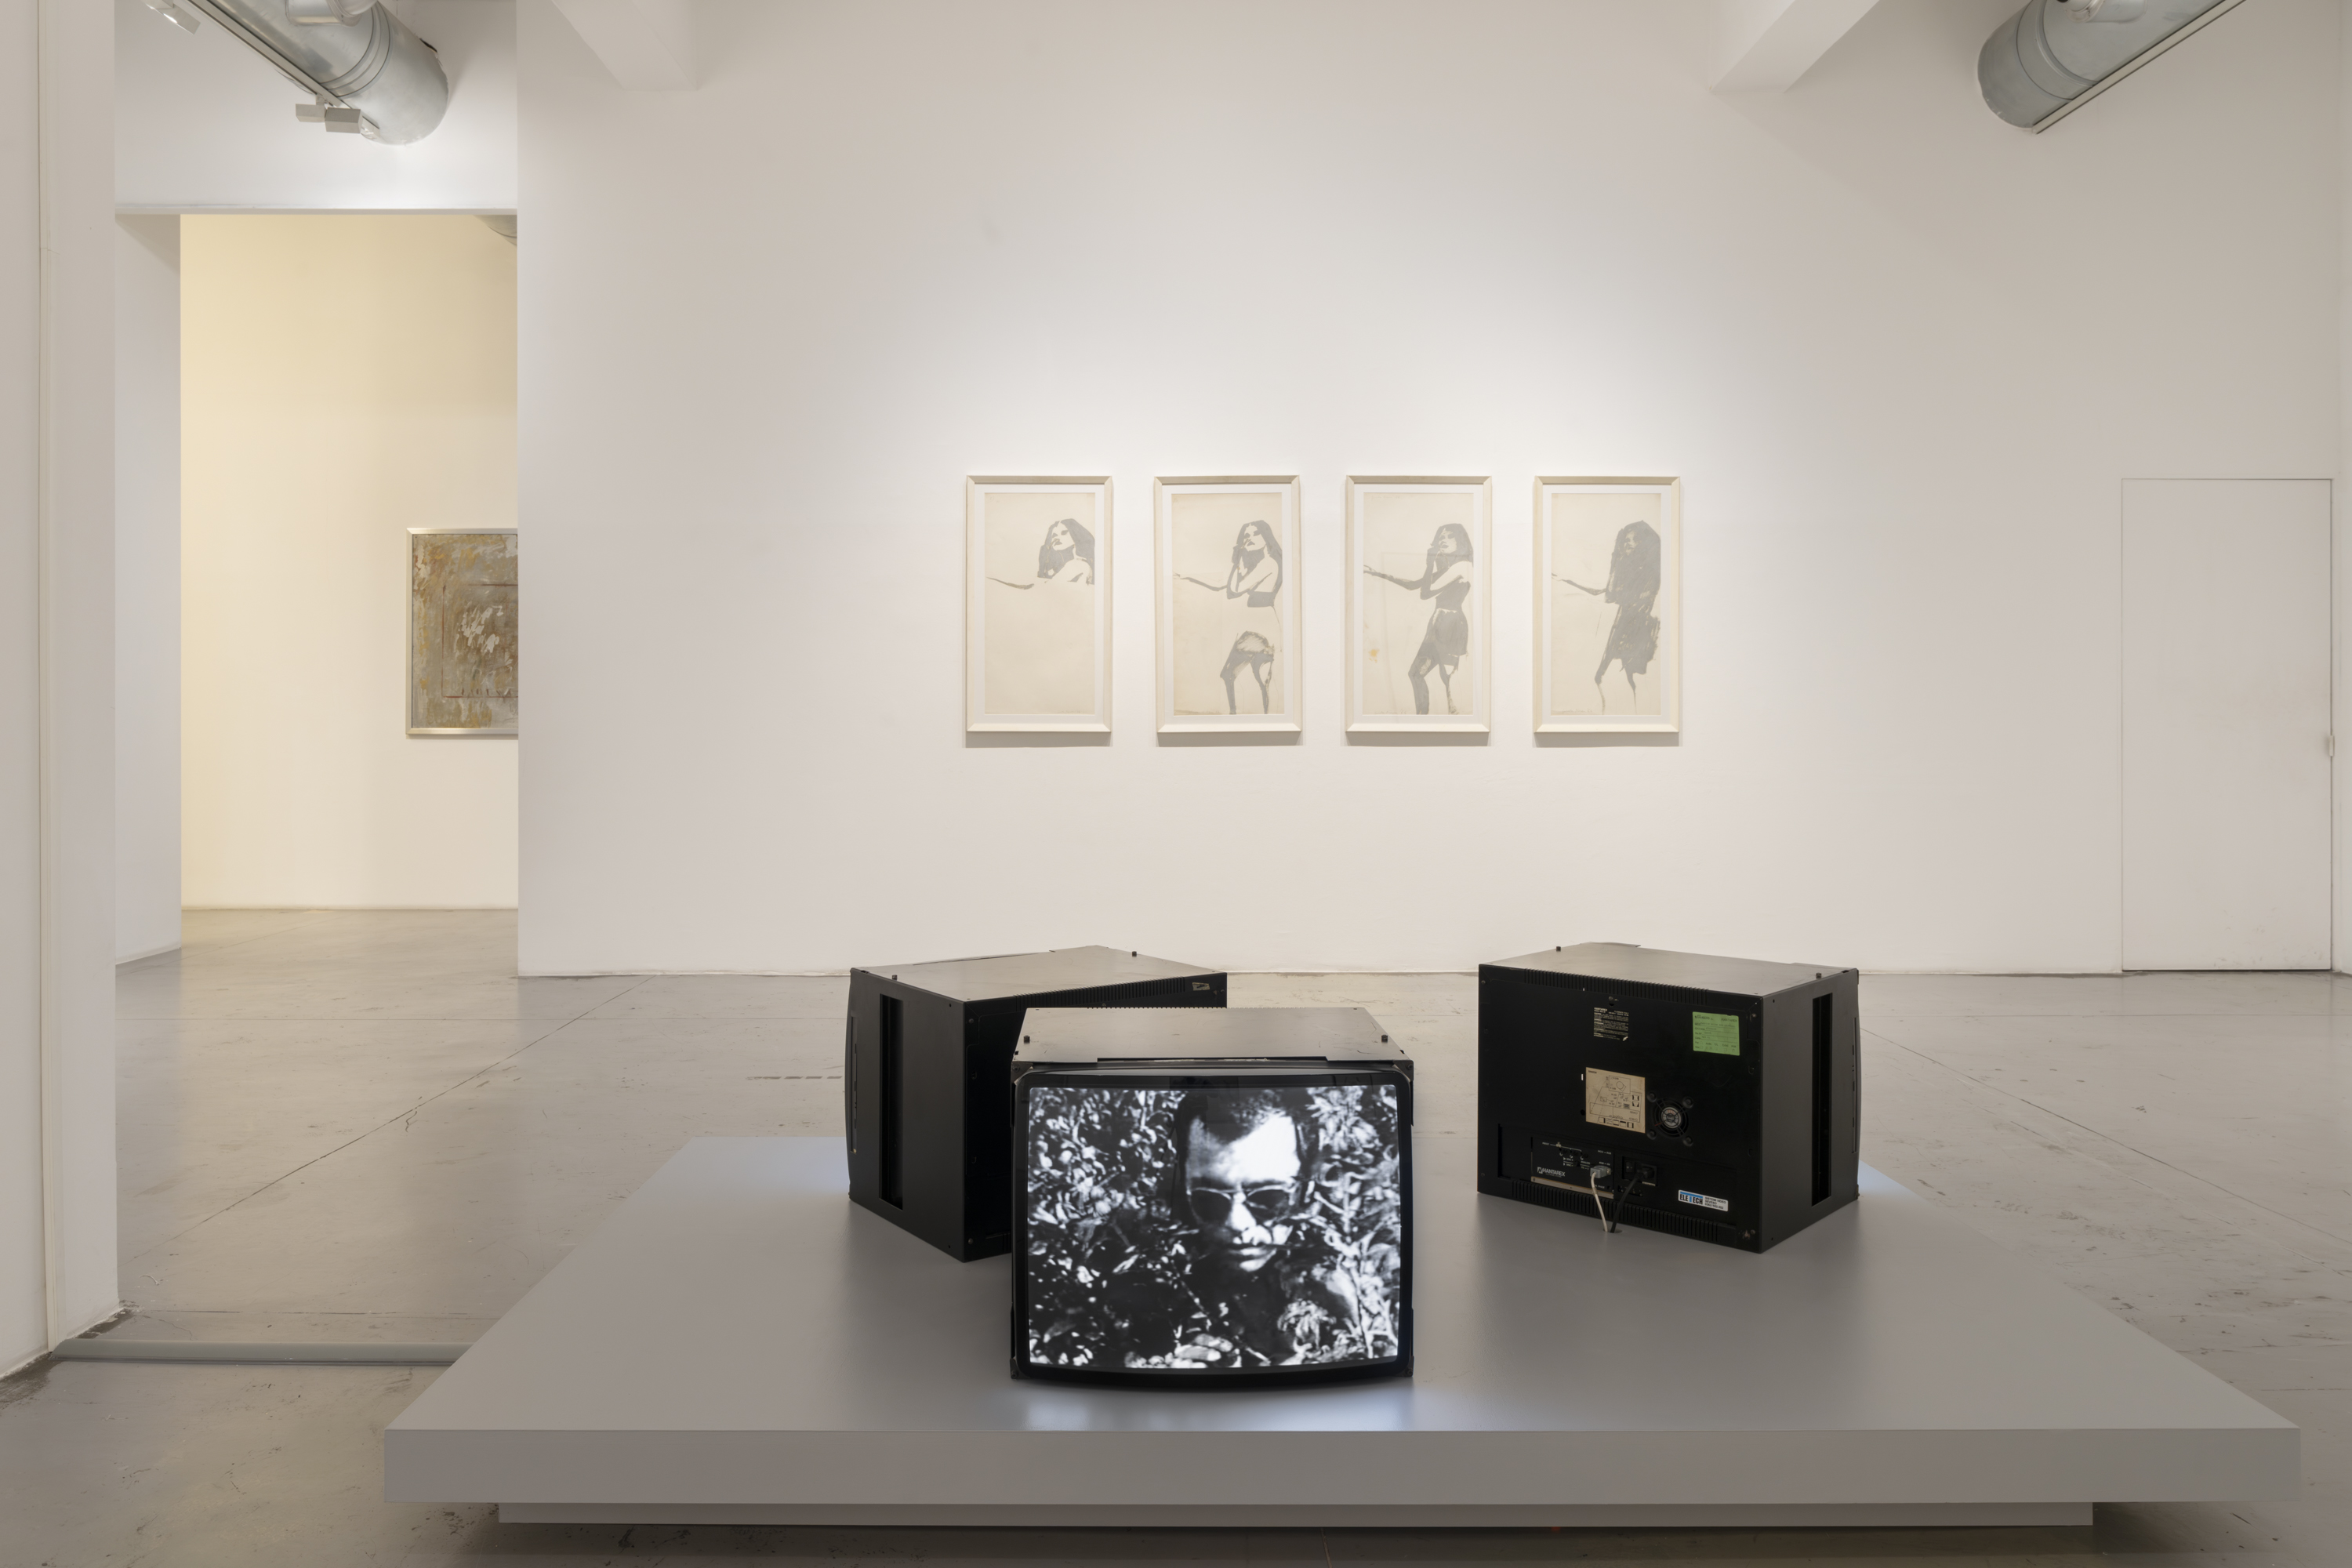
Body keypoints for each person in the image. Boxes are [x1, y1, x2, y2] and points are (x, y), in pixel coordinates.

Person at [1363, 521, 1474, 714]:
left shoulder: (1463, 566)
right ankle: (1422, 719)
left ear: (1461, 541)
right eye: (1441, 537)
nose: (1443, 540)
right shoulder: (1448, 569)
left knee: (1449, 679)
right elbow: (1413, 585)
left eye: (1450, 536)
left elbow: (1425, 593)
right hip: (1437, 625)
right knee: (1416, 674)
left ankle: (1455, 721)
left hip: (1453, 626)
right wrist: (1378, 574)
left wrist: (1430, 562)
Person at [1174, 521, 1281, 713]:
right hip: (1253, 631)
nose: (1249, 539)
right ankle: (1243, 717)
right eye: (1246, 536)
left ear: (1266, 537)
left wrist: (1238, 561)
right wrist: (1186, 576)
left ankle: (1257, 719)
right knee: (1242, 677)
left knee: (1253, 678)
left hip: (1261, 631)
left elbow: (1235, 589)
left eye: (1255, 534)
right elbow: (1220, 583)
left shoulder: (1268, 563)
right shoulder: (1255, 566)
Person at [1555, 519, 1661, 706]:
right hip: (1617, 625)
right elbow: (1608, 594)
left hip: (1633, 632)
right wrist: (1567, 580)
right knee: (1608, 681)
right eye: (1626, 540)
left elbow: (1627, 603)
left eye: (1635, 540)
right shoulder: (1622, 569)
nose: (1629, 544)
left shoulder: (1650, 576)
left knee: (1618, 682)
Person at [989, 517, 1094, 589]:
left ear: (1075, 534)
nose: (1057, 538)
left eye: (1064, 533)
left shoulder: (1080, 564)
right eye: (1054, 535)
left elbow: (1047, 588)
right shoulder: (1056, 558)